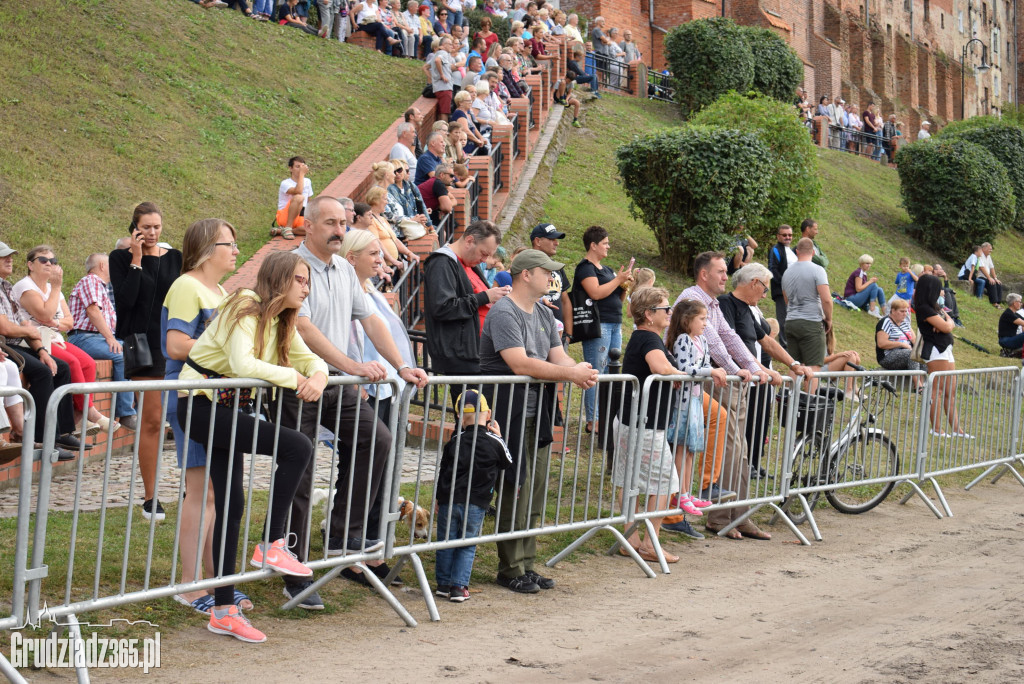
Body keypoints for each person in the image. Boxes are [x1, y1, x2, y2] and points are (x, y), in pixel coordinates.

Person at [275, 196, 428, 601]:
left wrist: (400, 365)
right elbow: (302, 327)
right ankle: (293, 566)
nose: (339, 230)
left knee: (376, 439)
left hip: (337, 382)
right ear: (308, 226)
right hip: (299, 382)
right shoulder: (292, 266)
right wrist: (352, 365)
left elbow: (371, 320)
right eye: (330, 222)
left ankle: (344, 537)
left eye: (343, 223)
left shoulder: (343, 268)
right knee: (301, 468)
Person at [178, 251, 326, 643]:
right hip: (200, 405)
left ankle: (223, 610)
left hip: (225, 408)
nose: (306, 288)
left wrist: (318, 377)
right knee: (297, 446)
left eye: (308, 282)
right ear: (279, 279)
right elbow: (243, 364)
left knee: (231, 504)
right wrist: (295, 378)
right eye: (299, 280)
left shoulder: (281, 320)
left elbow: (313, 361)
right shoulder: (245, 305)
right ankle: (272, 542)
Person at [479, 249, 599, 593]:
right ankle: (510, 568)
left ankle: (527, 564)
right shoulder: (504, 312)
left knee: (535, 489)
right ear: (526, 275)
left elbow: (558, 356)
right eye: (546, 272)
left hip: (538, 412)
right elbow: (520, 363)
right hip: (508, 411)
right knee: (514, 487)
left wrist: (580, 369)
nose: (552, 278)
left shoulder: (545, 313)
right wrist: (570, 373)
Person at [162, 219, 240, 613]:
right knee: (202, 491)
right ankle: (189, 585)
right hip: (191, 396)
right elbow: (176, 345)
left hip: (215, 398)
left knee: (216, 492)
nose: (236, 251)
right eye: (229, 244)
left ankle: (213, 581)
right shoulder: (186, 286)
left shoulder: (220, 291)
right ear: (208, 249)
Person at [676, 253, 775, 539]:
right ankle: (720, 516)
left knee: (739, 448)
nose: (725, 276)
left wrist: (754, 367)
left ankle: (739, 515)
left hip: (724, 381)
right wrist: (738, 370)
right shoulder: (692, 299)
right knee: (729, 445)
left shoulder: (714, 304)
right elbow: (714, 343)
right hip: (709, 383)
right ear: (704, 274)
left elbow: (730, 337)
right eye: (720, 271)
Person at [111, 202, 183, 521]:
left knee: (183, 418)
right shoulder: (120, 258)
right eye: (146, 227)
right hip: (142, 346)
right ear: (135, 229)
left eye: (156, 227)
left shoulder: (175, 258)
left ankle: (192, 484)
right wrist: (137, 259)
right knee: (152, 420)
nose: (152, 233)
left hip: (174, 344)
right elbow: (126, 301)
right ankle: (150, 496)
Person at [611, 286, 691, 563]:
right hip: (643, 424)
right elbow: (660, 368)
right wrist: (678, 373)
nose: (670, 312)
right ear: (648, 314)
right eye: (665, 308)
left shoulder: (644, 337)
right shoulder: (648, 339)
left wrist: (672, 374)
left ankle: (632, 541)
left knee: (630, 481)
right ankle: (648, 543)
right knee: (665, 482)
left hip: (635, 421)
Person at [719, 264, 813, 479]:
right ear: (754, 283)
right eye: (765, 289)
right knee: (735, 433)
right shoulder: (726, 304)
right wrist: (761, 369)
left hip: (753, 379)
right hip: (736, 380)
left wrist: (793, 364)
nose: (764, 295)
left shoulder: (748, 309)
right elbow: (732, 345)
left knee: (755, 423)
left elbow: (767, 341)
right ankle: (731, 474)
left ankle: (748, 466)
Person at [13, 245, 114, 437]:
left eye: (53, 261)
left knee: (89, 364)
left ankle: (78, 415)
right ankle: (90, 412)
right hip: (34, 340)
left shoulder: (52, 289)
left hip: (55, 337)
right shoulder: (25, 287)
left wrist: (55, 322)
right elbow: (44, 314)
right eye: (43, 260)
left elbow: (69, 322)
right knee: (72, 363)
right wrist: (57, 289)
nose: (49, 264)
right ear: (30, 265)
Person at [0, 243, 80, 459]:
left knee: (61, 367)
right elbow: (6, 328)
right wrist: (27, 330)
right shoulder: (21, 287)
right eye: (3, 257)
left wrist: (43, 351)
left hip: (17, 343)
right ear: (31, 264)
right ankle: (42, 439)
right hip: (6, 345)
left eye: (10, 256)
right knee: (43, 372)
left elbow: (28, 326)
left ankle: (62, 433)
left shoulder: (6, 287)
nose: (9, 260)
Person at [434, 389, 513, 602]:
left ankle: (443, 584)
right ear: (489, 415)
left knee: (445, 542)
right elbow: (507, 461)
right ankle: (459, 587)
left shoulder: (455, 441)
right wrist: (500, 437)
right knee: (467, 544)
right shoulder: (494, 441)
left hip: (449, 500)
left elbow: (443, 470)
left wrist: (439, 498)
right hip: (476, 503)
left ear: (459, 416)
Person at [663, 297, 727, 540]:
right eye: (702, 319)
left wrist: (710, 371)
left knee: (690, 449)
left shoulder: (702, 340)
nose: (705, 323)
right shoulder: (683, 340)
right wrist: (710, 371)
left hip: (696, 399)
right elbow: (685, 369)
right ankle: (680, 494)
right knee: (681, 448)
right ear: (687, 320)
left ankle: (687, 492)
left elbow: (704, 365)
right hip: (683, 403)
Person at [341, 230, 416, 427]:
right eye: (373, 254)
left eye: (380, 254)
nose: (379, 260)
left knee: (386, 441)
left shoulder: (370, 292)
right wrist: (351, 382)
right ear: (351, 258)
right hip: (363, 389)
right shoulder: (343, 296)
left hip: (384, 385)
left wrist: (401, 367)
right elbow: (340, 343)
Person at [423, 220, 508, 376]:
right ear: (469, 241)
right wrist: (485, 297)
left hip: (477, 353)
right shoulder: (442, 262)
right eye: (484, 253)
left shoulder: (469, 264)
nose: (484, 260)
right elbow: (443, 307)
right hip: (461, 356)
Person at [67, 254, 138, 431]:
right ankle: (126, 413)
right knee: (123, 355)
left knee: (136, 351)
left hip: (93, 337)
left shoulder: (101, 286)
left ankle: (137, 410)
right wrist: (110, 338)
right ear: (101, 266)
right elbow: (93, 311)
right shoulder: (91, 281)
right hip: (84, 337)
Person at [914, 274, 970, 438]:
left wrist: (947, 323)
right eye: (939, 289)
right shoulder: (924, 308)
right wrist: (947, 324)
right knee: (937, 391)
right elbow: (946, 327)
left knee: (950, 392)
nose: (941, 292)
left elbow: (948, 322)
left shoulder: (935, 307)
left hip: (945, 349)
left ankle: (957, 429)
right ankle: (937, 428)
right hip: (935, 350)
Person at [529, 223, 571, 343]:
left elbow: (565, 300)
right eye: (552, 239)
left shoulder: (557, 268)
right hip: (534, 333)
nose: (557, 243)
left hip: (558, 334)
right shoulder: (526, 266)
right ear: (538, 241)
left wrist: (568, 335)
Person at [875, 298, 926, 390]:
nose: (904, 314)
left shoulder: (905, 323)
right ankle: (918, 385)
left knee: (922, 353)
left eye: (906, 311)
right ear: (893, 310)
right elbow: (881, 343)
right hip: (888, 356)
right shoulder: (885, 322)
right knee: (910, 354)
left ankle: (923, 384)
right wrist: (901, 344)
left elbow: (914, 340)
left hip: (905, 353)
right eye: (902, 311)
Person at [768, 224, 796, 348]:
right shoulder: (776, 250)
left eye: (790, 235)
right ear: (778, 236)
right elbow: (772, 270)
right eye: (784, 235)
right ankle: (784, 347)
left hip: (795, 290)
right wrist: (784, 284)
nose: (787, 237)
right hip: (781, 291)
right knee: (783, 319)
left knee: (793, 318)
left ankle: (793, 346)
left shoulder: (792, 251)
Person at [273, 157, 312, 241]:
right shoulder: (285, 183)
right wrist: (302, 174)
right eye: (297, 167)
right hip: (286, 217)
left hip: (301, 215)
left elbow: (309, 200)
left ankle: (283, 231)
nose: (300, 169)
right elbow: (298, 191)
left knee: (315, 229)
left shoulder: (308, 181)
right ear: (291, 168)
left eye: (302, 166)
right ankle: (288, 227)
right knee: (299, 197)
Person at [976, 242, 1003, 307]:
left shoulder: (988, 256)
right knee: (991, 283)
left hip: (986, 276)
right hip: (980, 276)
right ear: (984, 248)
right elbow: (981, 267)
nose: (991, 250)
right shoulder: (980, 255)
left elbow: (991, 267)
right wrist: (989, 278)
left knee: (998, 283)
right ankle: (994, 303)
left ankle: (998, 302)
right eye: (989, 249)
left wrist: (995, 278)